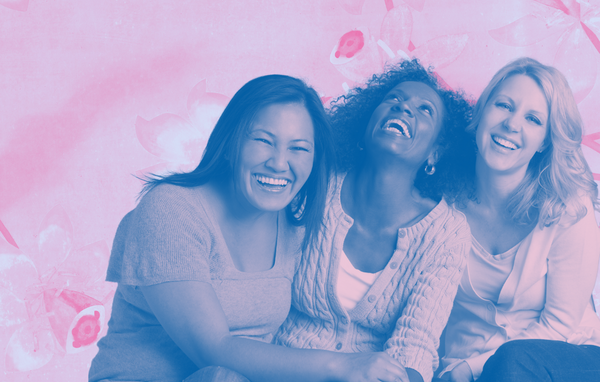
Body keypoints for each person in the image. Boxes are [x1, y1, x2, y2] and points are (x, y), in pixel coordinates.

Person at [89, 74, 411, 382]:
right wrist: (342, 365)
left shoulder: (293, 225)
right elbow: (214, 350)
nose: (279, 163)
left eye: (299, 148)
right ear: (231, 143)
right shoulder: (171, 211)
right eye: (263, 141)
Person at [275, 59, 474, 382]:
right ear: (365, 125)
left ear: (435, 153)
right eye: (394, 100)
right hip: (280, 368)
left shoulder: (446, 233)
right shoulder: (315, 185)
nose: (404, 108)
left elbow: (416, 344)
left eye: (425, 110)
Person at [437, 57, 600, 382]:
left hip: (565, 357)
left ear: (545, 142)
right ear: (481, 113)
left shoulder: (568, 207)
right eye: (503, 105)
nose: (512, 124)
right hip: (460, 367)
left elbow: (558, 324)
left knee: (512, 363)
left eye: (533, 119)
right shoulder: (442, 202)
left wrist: (471, 369)